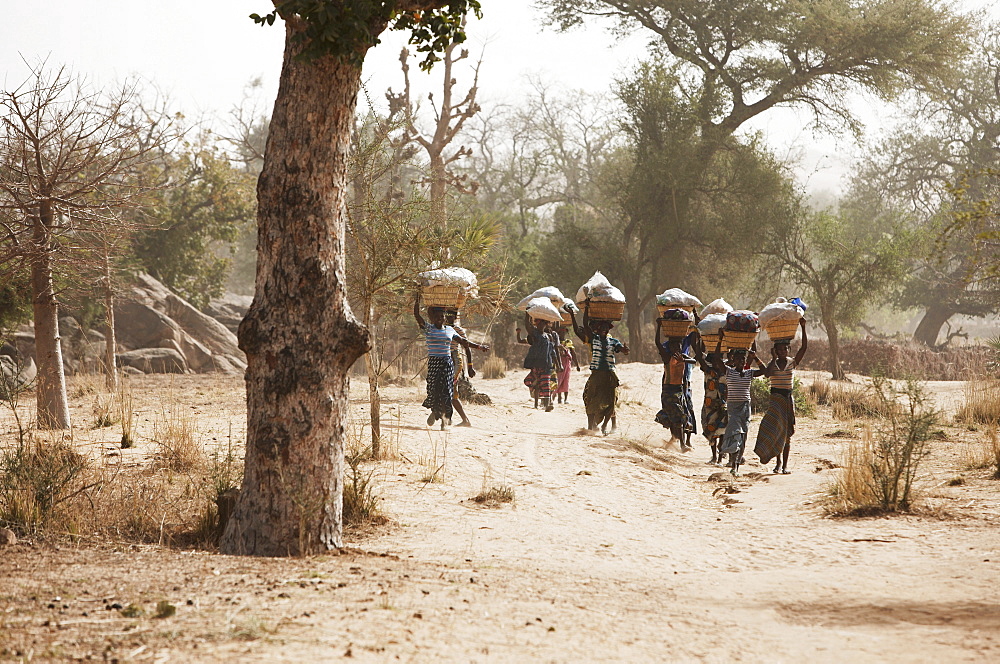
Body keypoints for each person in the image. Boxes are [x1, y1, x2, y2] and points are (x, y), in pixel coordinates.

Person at [414, 294, 489, 430]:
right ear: (432, 318)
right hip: (434, 364)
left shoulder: (450, 330)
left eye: (441, 317)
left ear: (444, 318)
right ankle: (435, 412)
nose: (440, 319)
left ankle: (445, 420)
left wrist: (479, 347)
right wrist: (417, 299)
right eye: (437, 317)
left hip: (447, 364)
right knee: (433, 391)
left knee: (446, 393)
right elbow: (417, 316)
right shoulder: (428, 329)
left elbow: (464, 343)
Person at [754, 317, 808, 473]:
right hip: (775, 401)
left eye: (785, 349)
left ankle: (784, 465)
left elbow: (804, 348)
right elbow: (768, 374)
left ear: (788, 350)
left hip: (787, 401)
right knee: (775, 431)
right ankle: (777, 463)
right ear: (775, 351)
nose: (783, 352)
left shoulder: (792, 362)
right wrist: (773, 359)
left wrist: (803, 327)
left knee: (786, 435)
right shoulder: (774, 363)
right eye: (780, 350)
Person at [570, 304, 629, 434]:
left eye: (606, 327)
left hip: (610, 374)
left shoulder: (613, 341)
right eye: (601, 327)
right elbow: (584, 325)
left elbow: (620, 349)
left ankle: (605, 426)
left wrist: (624, 350)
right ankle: (591, 427)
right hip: (597, 374)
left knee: (611, 400)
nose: (603, 329)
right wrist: (580, 311)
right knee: (590, 397)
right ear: (596, 329)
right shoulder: (593, 339)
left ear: (608, 330)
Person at [712, 342, 765, 476]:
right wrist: (720, 339)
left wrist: (755, 357)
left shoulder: (749, 373)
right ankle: (733, 465)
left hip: (745, 407)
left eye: (743, 359)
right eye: (738, 359)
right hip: (733, 407)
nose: (741, 361)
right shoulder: (729, 372)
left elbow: (765, 371)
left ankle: (736, 465)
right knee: (735, 433)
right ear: (733, 361)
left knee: (743, 435)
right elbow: (717, 359)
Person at [653, 320, 698, 449]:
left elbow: (694, 360)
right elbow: (657, 343)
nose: (676, 349)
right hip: (669, 391)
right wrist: (659, 327)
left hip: (679, 390)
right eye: (673, 347)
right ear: (670, 348)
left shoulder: (682, 356)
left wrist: (684, 359)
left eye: (678, 347)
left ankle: (677, 441)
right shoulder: (667, 357)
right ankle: (682, 444)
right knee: (676, 416)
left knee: (681, 417)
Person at [698, 335, 729, 465]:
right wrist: (699, 336)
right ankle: (714, 456)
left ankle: (720, 457)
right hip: (709, 405)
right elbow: (699, 355)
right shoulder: (708, 371)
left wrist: (722, 339)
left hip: (722, 405)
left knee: (722, 431)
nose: (717, 363)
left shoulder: (726, 371)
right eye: (715, 361)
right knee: (711, 430)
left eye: (719, 360)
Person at [518, 313, 559, 411]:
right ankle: (537, 401)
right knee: (529, 381)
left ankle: (547, 404)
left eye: (543, 323)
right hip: (536, 365)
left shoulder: (548, 337)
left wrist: (558, 364)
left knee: (546, 385)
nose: (541, 325)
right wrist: (527, 314)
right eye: (539, 323)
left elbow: (552, 351)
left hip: (546, 365)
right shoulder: (535, 334)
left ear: (545, 324)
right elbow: (528, 326)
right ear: (537, 324)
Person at [444, 309, 476, 427]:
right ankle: (449, 417)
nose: (449, 318)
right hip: (444, 359)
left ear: (455, 317)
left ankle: (463, 419)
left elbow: (466, 347)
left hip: (455, 360)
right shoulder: (441, 328)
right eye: (447, 316)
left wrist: (470, 366)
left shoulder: (458, 330)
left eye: (451, 316)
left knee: (451, 390)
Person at [554, 327, 580, 404]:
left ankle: (565, 399)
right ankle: (558, 398)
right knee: (559, 380)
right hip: (559, 363)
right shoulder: (556, 342)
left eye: (563, 333)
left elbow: (573, 354)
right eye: (560, 333)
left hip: (567, 364)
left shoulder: (568, 342)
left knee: (566, 380)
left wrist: (577, 365)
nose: (562, 334)